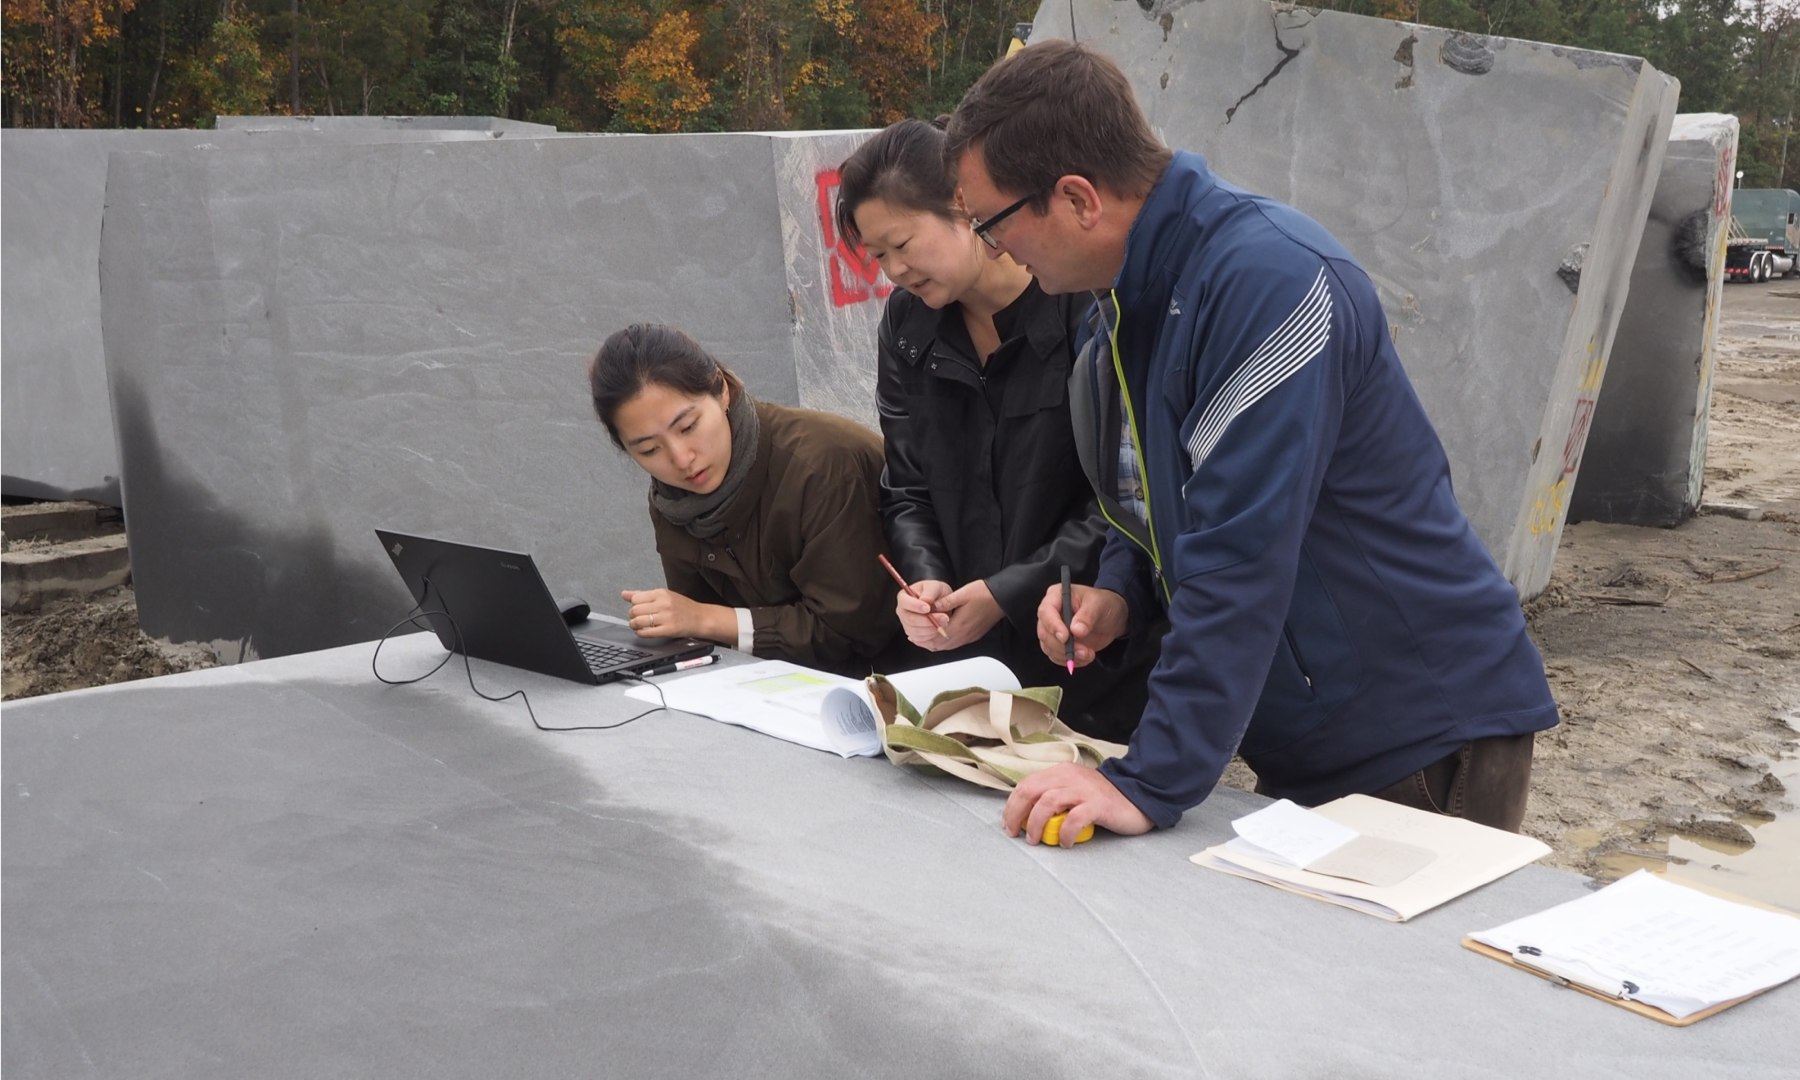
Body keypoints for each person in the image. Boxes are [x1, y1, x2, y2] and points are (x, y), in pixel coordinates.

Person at [941, 41, 1560, 844]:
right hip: (1310, 715)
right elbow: (1155, 491)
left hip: (1415, 730)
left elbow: (1240, 549)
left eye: (991, 223)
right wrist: (1122, 590)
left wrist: (1150, 779)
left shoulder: (1269, 283)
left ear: (1077, 199)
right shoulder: (1129, 300)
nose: (997, 250)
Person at [834, 118, 1159, 742]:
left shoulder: (1082, 304)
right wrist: (926, 578)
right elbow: (907, 486)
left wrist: (1007, 592)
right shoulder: (907, 327)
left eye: (903, 244)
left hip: (1088, 651)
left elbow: (1126, 496)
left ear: (964, 207)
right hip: (968, 667)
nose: (894, 270)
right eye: (878, 256)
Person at [589, 323, 902, 678]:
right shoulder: (673, 498)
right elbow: (704, 643)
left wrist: (704, 618)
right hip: (778, 689)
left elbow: (847, 631)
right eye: (648, 449)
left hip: (894, 686)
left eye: (688, 426)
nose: (680, 458)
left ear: (722, 390)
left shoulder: (822, 466)